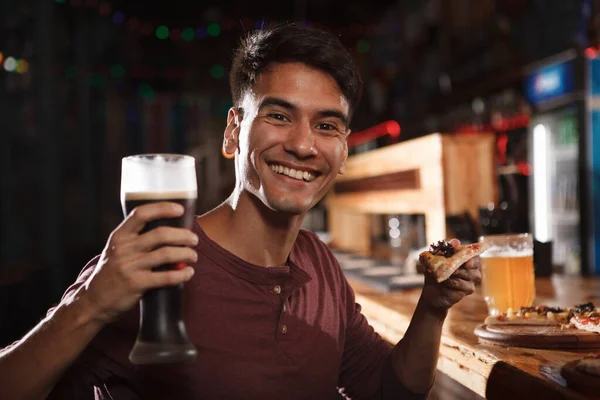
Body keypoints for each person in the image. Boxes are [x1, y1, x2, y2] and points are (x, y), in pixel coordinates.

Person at [0, 23, 481, 399]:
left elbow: (389, 391)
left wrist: (433, 307)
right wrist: (90, 305)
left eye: (327, 125)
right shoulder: (155, 262)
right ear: (233, 132)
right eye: (278, 115)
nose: (302, 144)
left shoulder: (321, 266)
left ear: (343, 152)